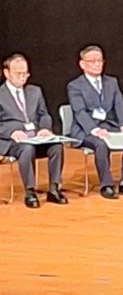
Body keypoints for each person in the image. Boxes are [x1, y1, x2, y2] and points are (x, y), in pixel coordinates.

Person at [66, 45, 123, 199]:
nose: (97, 64)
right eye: (93, 61)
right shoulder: (75, 86)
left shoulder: (111, 82)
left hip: (109, 126)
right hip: (86, 130)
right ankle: (106, 184)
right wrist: (94, 130)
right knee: (101, 144)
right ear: (82, 64)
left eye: (100, 60)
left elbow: (119, 106)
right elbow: (79, 112)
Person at [0, 54, 68, 208]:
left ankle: (54, 188)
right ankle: (30, 191)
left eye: (25, 74)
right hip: (11, 141)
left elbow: (44, 115)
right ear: (6, 73)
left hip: (35, 137)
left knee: (56, 146)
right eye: (18, 74)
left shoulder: (35, 91)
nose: (22, 78)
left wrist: (45, 128)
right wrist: (11, 132)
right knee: (27, 148)